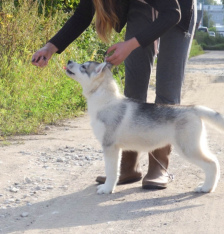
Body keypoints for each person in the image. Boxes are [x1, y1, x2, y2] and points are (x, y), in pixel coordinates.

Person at [32, 0, 196, 190]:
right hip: (141, 7)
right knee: (133, 90)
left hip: (176, 11)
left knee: (167, 93)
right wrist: (50, 47)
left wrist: (130, 45)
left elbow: (172, 13)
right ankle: (128, 166)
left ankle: (158, 165)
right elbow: (82, 15)